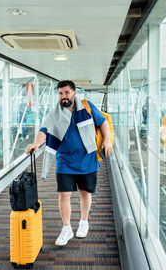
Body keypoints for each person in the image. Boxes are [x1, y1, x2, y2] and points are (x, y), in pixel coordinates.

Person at [25, 80, 112, 246]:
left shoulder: (86, 107)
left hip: (87, 159)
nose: (63, 96)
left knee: (85, 193)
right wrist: (36, 144)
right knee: (64, 195)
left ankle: (84, 222)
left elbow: (103, 123)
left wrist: (107, 140)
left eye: (66, 93)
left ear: (74, 93)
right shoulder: (55, 113)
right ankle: (66, 228)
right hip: (64, 160)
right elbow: (45, 129)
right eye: (60, 93)